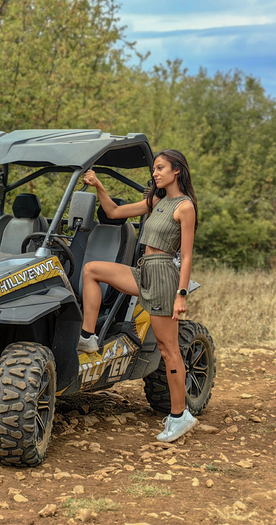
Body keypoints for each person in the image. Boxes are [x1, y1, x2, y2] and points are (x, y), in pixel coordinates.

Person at [78, 149, 198, 443]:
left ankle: (180, 416)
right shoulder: (156, 200)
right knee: (92, 270)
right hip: (143, 269)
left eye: (161, 168)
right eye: (155, 169)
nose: (155, 173)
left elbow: (186, 254)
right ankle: (88, 336)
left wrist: (181, 294)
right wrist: (99, 186)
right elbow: (114, 213)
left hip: (162, 276)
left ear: (176, 171)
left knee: (168, 348)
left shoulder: (184, 207)